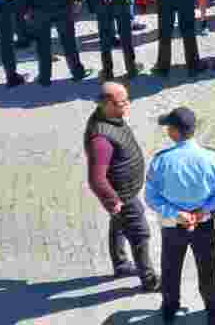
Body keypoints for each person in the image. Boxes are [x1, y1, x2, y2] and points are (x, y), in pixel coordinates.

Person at [145, 107, 215, 325]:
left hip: (171, 225)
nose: (167, 130)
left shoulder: (161, 161)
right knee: (207, 269)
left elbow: (151, 197)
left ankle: (170, 309)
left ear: (174, 132)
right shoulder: (214, 158)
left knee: (170, 269)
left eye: (169, 126)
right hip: (203, 224)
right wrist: (204, 210)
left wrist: (176, 213)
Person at [84, 82, 158, 290]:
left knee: (118, 224)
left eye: (127, 99)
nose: (128, 104)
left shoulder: (111, 116)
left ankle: (121, 263)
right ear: (107, 103)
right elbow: (96, 179)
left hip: (125, 189)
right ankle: (150, 280)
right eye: (122, 102)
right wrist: (113, 201)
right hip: (122, 195)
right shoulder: (100, 138)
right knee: (139, 232)